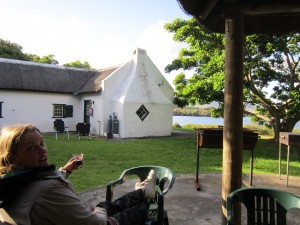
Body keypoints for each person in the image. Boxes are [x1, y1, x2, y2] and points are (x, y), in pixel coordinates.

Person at [0, 124, 157, 225]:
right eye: (31, 148)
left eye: (42, 143)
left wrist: (66, 170)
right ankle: (144, 196)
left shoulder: (10, 181)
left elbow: (35, 183)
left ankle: (143, 191)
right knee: (138, 209)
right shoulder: (49, 190)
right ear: (12, 157)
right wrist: (97, 211)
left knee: (107, 205)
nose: (43, 151)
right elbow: (94, 223)